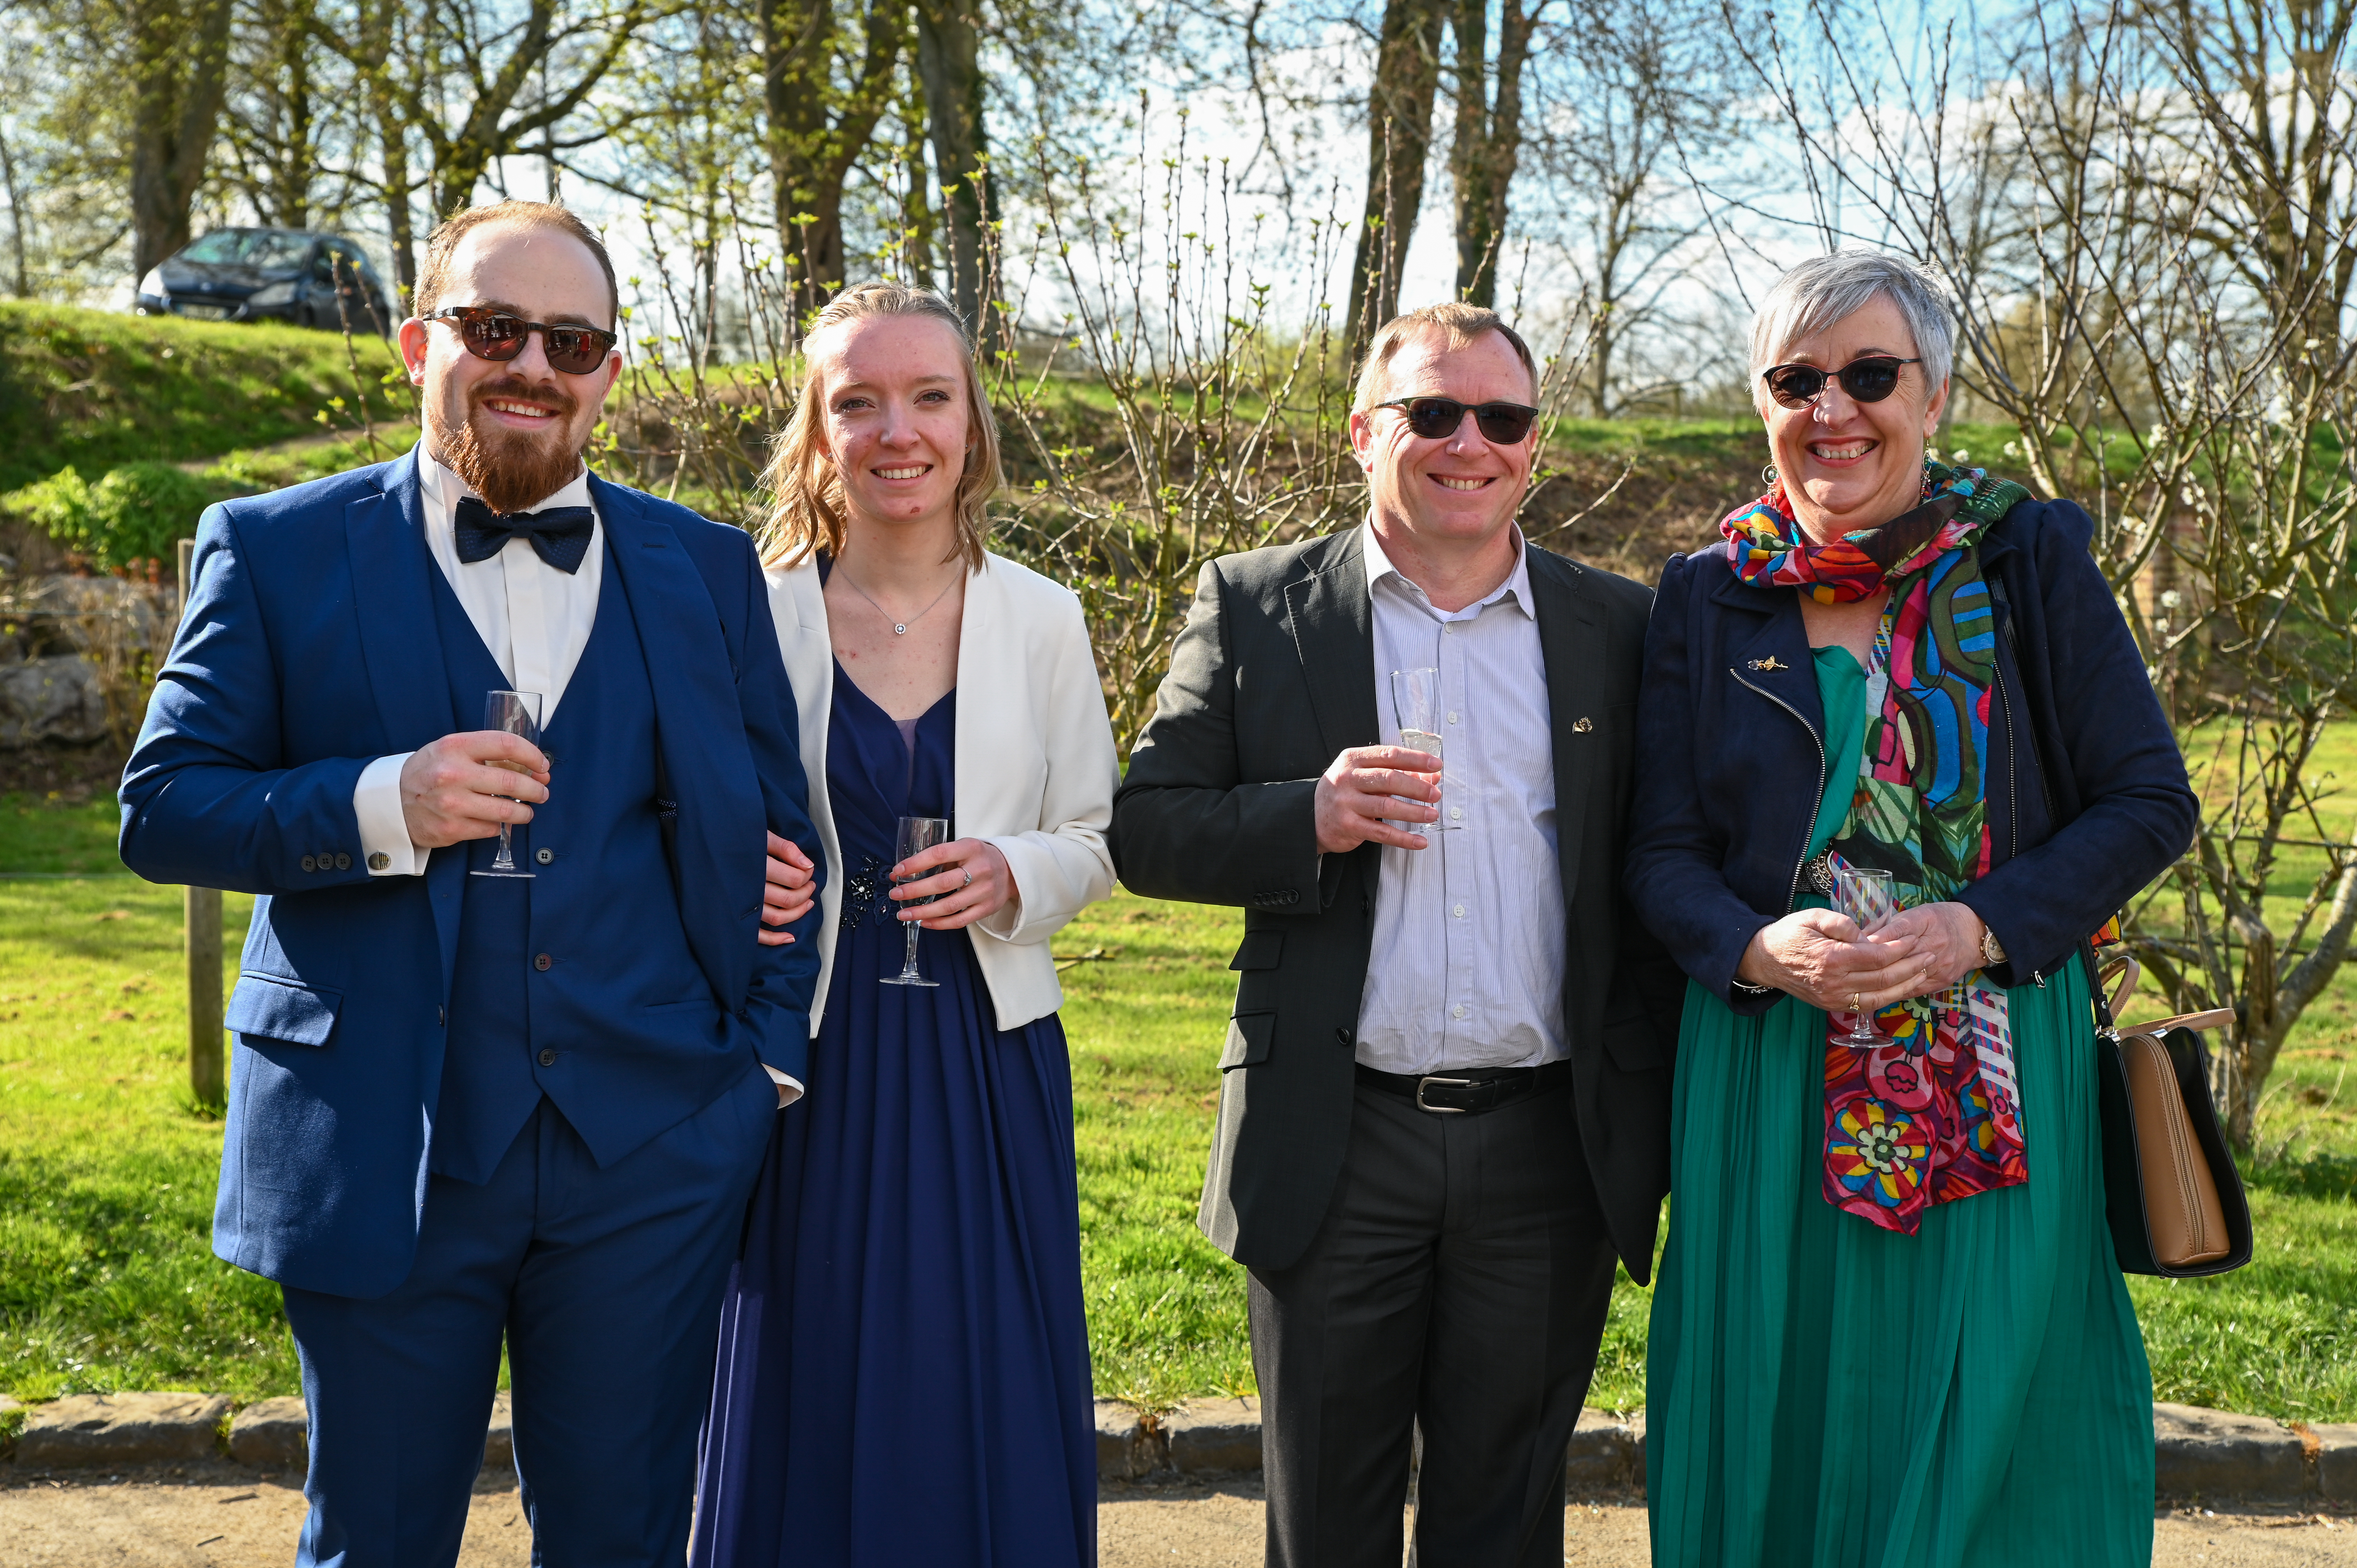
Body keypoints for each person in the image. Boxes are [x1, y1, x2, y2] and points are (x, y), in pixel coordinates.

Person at [117, 199, 824, 1568]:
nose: (531, 367)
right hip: (384, 1138)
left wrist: (763, 1072)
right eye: (493, 329)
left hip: (654, 1150)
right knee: (375, 1542)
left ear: (611, 370)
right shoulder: (275, 546)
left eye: (571, 340)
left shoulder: (709, 567)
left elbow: (776, 837)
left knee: (624, 1542)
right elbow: (165, 808)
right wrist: (386, 800)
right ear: (415, 344)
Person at [1625, 250, 2198, 1566]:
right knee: (1775, 1400)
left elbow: (2147, 801)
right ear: (1762, 402)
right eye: (1797, 381)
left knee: (1986, 1409)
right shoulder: (1705, 595)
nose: (1834, 411)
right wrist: (1755, 946)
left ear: (1932, 395)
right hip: (1768, 1067)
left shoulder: (2029, 558)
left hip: (1992, 1061)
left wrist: (1978, 924)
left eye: (1870, 376)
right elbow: (1658, 853)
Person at [1109, 301, 1686, 1567]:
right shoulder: (1258, 607)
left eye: (1504, 418)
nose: (1468, 441)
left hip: (1547, 1147)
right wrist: (1303, 815)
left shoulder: (1622, 630)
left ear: (1536, 448)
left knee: (1505, 1529)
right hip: (1336, 1137)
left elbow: (1664, 873)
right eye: (1432, 412)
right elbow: (1146, 829)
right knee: (1325, 1528)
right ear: (1364, 432)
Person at [691, 281, 1119, 1568]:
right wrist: (727, 880)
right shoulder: (741, 610)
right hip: (793, 1060)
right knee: (797, 1357)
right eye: (858, 402)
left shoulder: (1044, 616)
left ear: (974, 423)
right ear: (816, 432)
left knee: (976, 1354)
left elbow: (1098, 839)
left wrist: (1013, 872)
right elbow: (671, 822)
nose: (899, 431)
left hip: (984, 1058)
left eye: (930, 397)